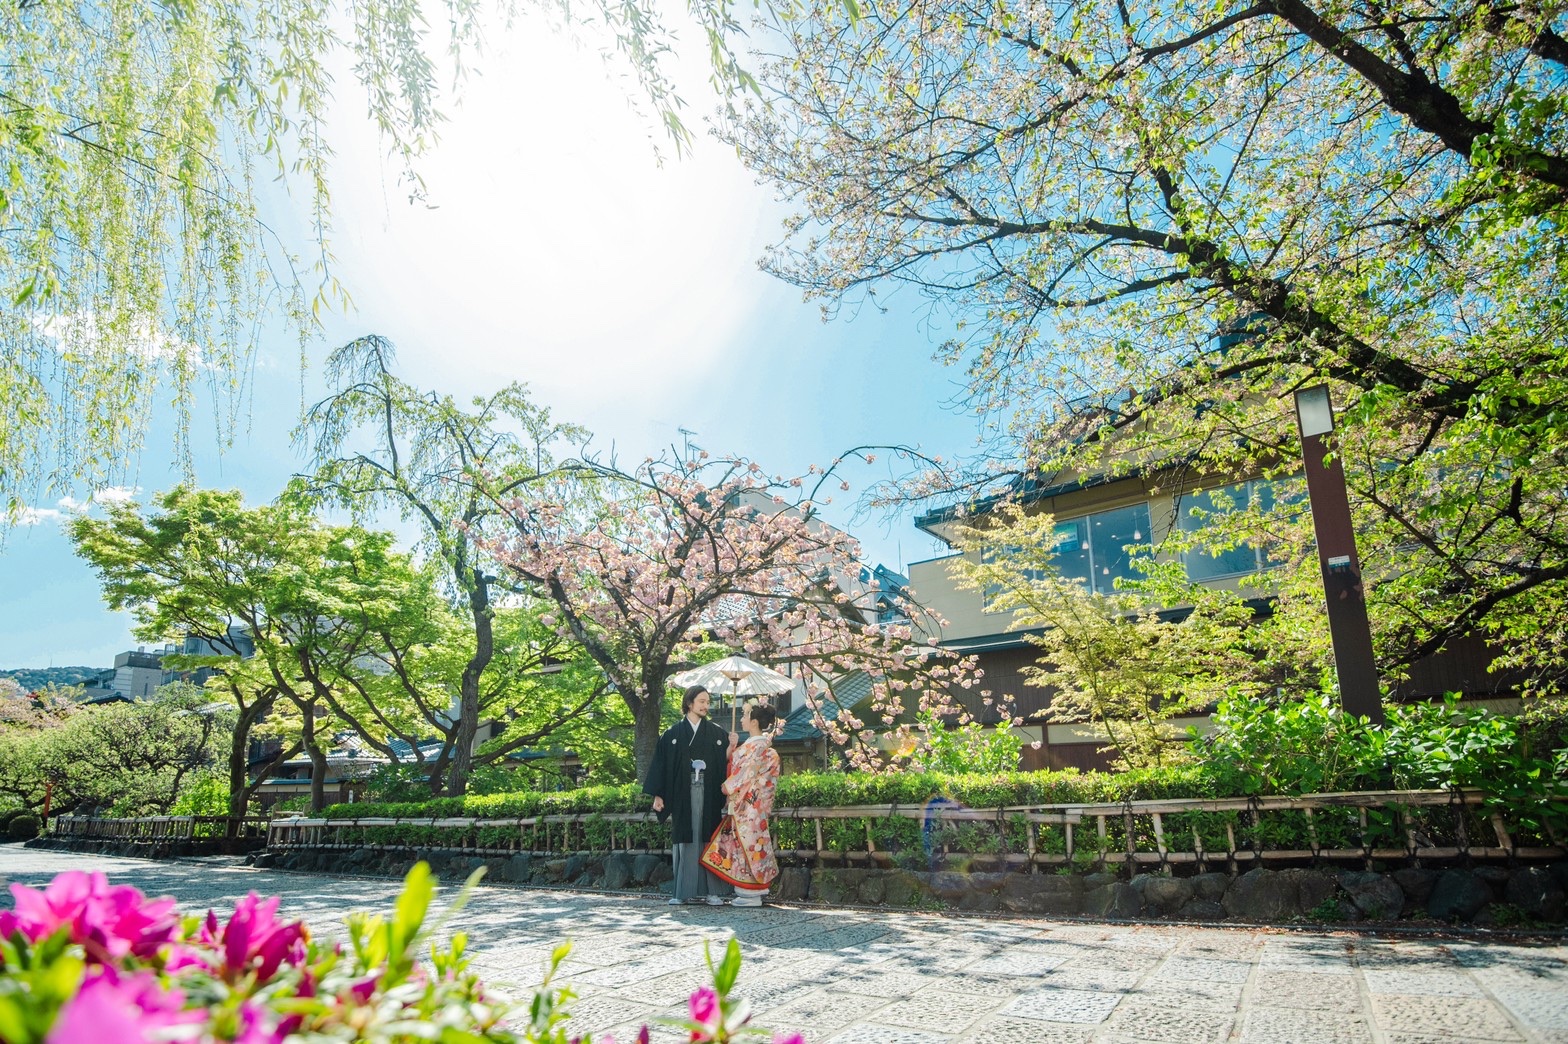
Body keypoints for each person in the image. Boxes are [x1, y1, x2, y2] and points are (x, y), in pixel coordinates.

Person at [643, 685, 734, 905]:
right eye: (701, 701)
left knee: (709, 837)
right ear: (689, 703)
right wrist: (658, 795)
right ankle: (683, 892)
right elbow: (661, 766)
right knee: (686, 838)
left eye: (707, 701)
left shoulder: (717, 734)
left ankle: (713, 892)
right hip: (682, 793)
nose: (705, 706)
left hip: (709, 791)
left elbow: (726, 762)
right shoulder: (672, 734)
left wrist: (730, 747)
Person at [701, 701, 781, 907]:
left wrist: (727, 786)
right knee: (747, 846)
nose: (742, 719)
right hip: (749, 806)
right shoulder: (755, 746)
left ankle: (751, 893)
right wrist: (733, 747)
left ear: (754, 722)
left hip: (749, 806)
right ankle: (749, 891)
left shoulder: (759, 747)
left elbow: (746, 774)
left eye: (745, 715)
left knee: (749, 846)